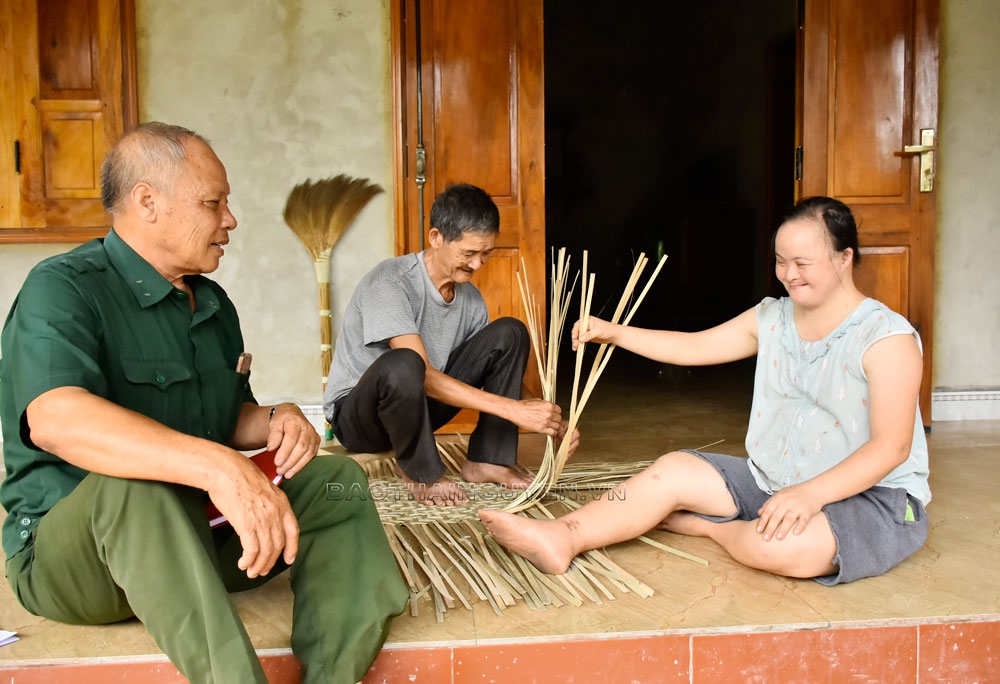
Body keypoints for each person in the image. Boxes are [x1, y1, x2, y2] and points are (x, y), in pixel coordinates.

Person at [0, 122, 408, 683]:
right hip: (80, 563)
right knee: (130, 486)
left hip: (199, 536)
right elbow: (55, 419)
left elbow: (225, 415)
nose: (230, 220)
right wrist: (218, 467)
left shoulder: (211, 302)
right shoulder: (64, 288)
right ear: (148, 202)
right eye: (213, 203)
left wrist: (278, 419)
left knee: (338, 484)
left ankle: (332, 676)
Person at [479, 196, 931, 586]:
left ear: (843, 257)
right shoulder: (772, 317)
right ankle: (563, 536)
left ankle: (710, 528)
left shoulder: (886, 337)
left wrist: (811, 495)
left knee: (778, 549)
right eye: (780, 261)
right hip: (773, 480)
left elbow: (891, 447)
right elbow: (693, 346)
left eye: (802, 263)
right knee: (670, 471)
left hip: (875, 499)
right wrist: (615, 333)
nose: (788, 274)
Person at [324, 183, 576, 506]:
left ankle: (489, 460)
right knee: (404, 363)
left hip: (419, 410)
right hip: (360, 418)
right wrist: (513, 410)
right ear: (436, 238)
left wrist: (546, 416)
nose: (477, 265)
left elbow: (494, 371)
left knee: (510, 333)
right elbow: (422, 375)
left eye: (486, 254)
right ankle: (422, 474)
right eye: (469, 253)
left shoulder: (469, 299)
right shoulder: (391, 282)